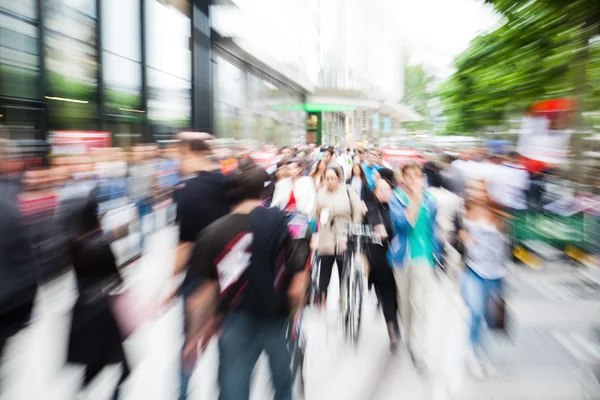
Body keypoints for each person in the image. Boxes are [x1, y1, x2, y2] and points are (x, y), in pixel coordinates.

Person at [182, 159, 310, 400]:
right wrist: (293, 310)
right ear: (263, 191)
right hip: (275, 319)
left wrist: (194, 337)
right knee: (282, 384)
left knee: (233, 389)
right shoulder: (284, 223)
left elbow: (204, 294)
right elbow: (297, 285)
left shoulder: (212, 233)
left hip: (234, 322)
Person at [172, 132, 231, 399]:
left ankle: (183, 395)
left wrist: (168, 280)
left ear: (191, 152)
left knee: (189, 343)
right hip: (227, 276)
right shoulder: (229, 183)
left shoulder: (187, 192)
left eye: (180, 155)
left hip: (196, 278)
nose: (178, 162)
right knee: (224, 344)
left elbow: (184, 246)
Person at [64, 188, 132, 400]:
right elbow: (117, 278)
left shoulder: (74, 244)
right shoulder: (102, 244)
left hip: (83, 308)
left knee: (93, 363)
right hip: (104, 311)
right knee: (124, 366)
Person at [387, 162, 441, 371]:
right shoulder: (397, 198)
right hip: (402, 257)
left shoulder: (431, 201)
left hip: (423, 256)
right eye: (408, 176)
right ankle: (409, 339)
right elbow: (402, 225)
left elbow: (433, 229)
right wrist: (416, 201)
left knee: (420, 304)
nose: (412, 180)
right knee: (406, 303)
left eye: (416, 175)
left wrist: (437, 255)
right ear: (403, 178)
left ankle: (420, 347)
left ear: (421, 177)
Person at [459, 179, 509, 377]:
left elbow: (505, 242)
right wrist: (461, 238)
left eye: (480, 189)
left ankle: (480, 352)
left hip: (496, 273)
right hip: (473, 270)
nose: (476, 193)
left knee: (489, 318)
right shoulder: (463, 213)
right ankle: (471, 352)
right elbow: (452, 237)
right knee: (475, 311)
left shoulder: (497, 214)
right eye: (472, 189)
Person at [314, 167, 363, 305]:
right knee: (325, 268)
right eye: (327, 178)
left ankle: (344, 296)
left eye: (333, 178)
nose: (330, 181)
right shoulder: (321, 193)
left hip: (344, 234)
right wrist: (320, 212)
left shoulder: (348, 191)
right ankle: (322, 298)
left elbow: (357, 212)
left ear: (339, 178)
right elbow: (317, 216)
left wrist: (352, 231)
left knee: (344, 267)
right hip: (327, 234)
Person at [366, 177, 400, 350]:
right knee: (387, 295)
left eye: (387, 189)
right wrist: (378, 229)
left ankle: (397, 321)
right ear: (375, 192)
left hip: (399, 259)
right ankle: (392, 329)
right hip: (381, 259)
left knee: (398, 295)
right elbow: (373, 221)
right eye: (381, 189)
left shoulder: (398, 207)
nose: (385, 192)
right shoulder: (372, 209)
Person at [423, 162, 464, 282]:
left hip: (433, 233)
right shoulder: (454, 197)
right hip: (449, 233)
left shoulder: (427, 195)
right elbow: (458, 219)